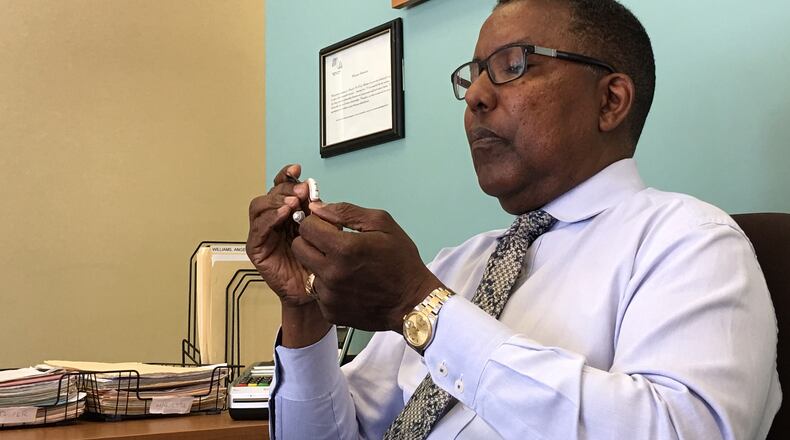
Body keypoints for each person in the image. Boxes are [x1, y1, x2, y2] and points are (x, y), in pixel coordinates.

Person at [246, 0, 781, 438]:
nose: (476, 95)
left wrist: (421, 308)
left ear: (610, 100)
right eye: (474, 75)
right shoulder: (456, 266)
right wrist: (305, 313)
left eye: (513, 65)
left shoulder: (692, 243)